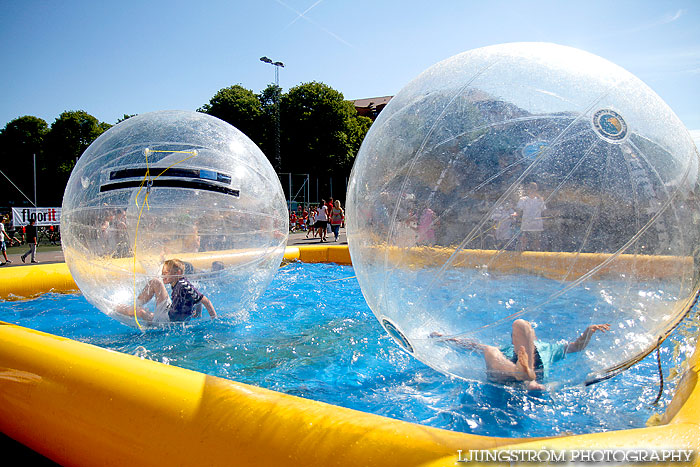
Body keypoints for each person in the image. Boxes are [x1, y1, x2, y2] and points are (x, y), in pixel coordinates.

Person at [431, 319, 610, 390]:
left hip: (525, 371)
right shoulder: (506, 350)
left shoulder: (548, 348)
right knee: (490, 350)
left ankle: (526, 376)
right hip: (509, 370)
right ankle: (523, 375)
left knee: (496, 345)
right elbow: (471, 346)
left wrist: (588, 332)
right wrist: (447, 338)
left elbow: (577, 346)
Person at [116, 258, 216, 324]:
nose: (163, 275)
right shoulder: (178, 282)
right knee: (156, 282)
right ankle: (136, 305)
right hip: (169, 311)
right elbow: (196, 299)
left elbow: (205, 301)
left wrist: (214, 320)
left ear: (178, 273)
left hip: (168, 321)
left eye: (166, 273)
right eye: (163, 273)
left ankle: (117, 308)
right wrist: (198, 314)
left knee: (141, 312)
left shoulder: (184, 285)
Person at [516, 182, 547, 251]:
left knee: (536, 242)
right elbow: (518, 210)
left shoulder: (539, 200)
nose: (532, 190)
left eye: (534, 188)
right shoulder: (523, 199)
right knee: (524, 241)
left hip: (537, 225)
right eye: (531, 188)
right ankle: (522, 254)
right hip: (526, 225)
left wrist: (541, 199)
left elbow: (544, 210)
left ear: (536, 189)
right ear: (528, 189)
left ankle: (536, 254)